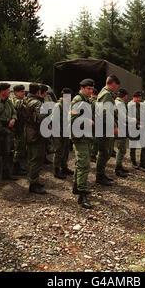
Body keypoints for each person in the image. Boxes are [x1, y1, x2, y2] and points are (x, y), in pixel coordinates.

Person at [71, 79, 95, 209]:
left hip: (85, 136)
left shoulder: (85, 100)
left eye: (92, 89)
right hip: (79, 136)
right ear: (82, 88)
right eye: (89, 89)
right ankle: (82, 194)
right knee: (84, 164)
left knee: (80, 163)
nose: (91, 91)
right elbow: (73, 120)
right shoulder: (78, 100)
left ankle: (76, 186)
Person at [23, 83, 49, 194]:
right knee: (36, 158)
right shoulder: (37, 103)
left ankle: (34, 180)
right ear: (38, 92)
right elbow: (41, 118)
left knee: (31, 158)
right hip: (36, 134)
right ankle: (33, 184)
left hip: (27, 131)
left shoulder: (25, 100)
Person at [95, 74, 120, 186]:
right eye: (116, 86)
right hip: (105, 128)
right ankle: (99, 176)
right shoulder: (107, 95)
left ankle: (101, 174)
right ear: (113, 83)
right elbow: (106, 113)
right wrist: (114, 126)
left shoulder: (105, 93)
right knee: (104, 152)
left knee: (107, 152)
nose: (116, 88)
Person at [53, 88, 74, 180]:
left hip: (65, 131)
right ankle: (56, 170)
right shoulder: (58, 105)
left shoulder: (67, 105)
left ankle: (64, 167)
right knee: (58, 151)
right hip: (59, 132)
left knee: (65, 150)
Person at [128, 91, 145, 170]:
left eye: (140, 98)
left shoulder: (142, 105)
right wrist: (137, 125)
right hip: (133, 128)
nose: (139, 99)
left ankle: (143, 162)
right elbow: (129, 117)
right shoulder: (130, 105)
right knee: (133, 145)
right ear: (133, 97)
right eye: (137, 97)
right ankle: (133, 162)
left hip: (142, 127)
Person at [11, 85, 28, 176]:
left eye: (23, 91)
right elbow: (19, 105)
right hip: (17, 128)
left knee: (20, 147)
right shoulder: (15, 100)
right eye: (21, 91)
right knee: (18, 148)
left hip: (21, 127)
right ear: (16, 92)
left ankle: (18, 167)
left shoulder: (19, 99)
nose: (23, 93)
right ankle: (15, 168)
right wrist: (26, 100)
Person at [114, 88, 130, 178]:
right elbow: (123, 118)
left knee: (121, 149)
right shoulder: (120, 104)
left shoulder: (116, 102)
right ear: (124, 96)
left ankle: (119, 166)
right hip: (121, 128)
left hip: (119, 127)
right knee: (121, 149)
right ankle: (118, 168)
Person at [90, 88, 99, 163]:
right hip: (94, 123)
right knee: (95, 140)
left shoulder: (88, 100)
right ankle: (92, 155)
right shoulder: (95, 102)